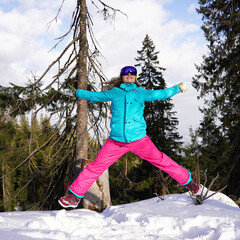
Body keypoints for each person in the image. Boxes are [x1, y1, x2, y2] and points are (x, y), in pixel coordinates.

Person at [58, 66, 200, 208]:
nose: (130, 75)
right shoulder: (115, 92)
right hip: (116, 142)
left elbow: (160, 94)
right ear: (122, 77)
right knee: (95, 167)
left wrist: (177, 88)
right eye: (126, 73)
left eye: (133, 73)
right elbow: (96, 96)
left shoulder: (140, 92)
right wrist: (77, 92)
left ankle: (189, 183)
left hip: (139, 140)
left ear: (135, 78)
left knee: (161, 160)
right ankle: (74, 196)